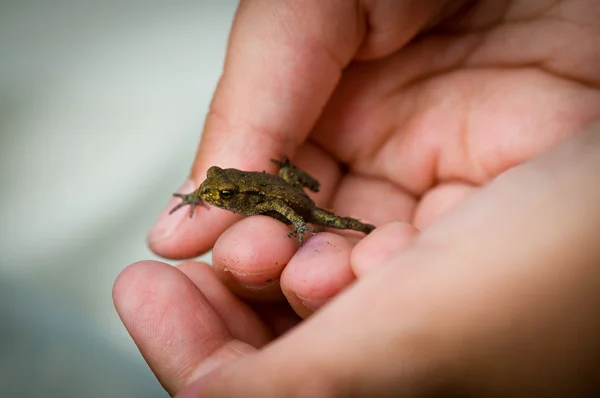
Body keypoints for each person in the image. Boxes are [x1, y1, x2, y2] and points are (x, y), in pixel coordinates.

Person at [113, 1, 600, 396]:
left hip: (295, 200)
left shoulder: (251, 199)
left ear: (236, 196)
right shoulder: (227, 192)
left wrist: (301, 225)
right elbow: (217, 185)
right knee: (274, 246)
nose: (210, 195)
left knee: (339, 220)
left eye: (217, 194)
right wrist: (202, 196)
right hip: (276, 186)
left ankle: (353, 222)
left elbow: (282, 206)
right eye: (213, 192)